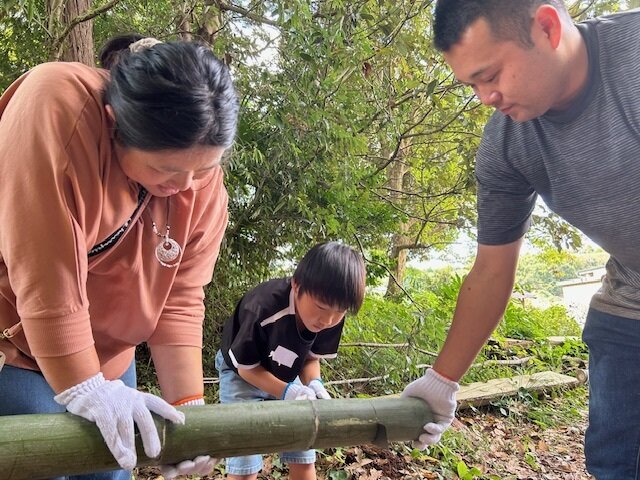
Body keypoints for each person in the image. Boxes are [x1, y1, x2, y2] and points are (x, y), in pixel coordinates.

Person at [400, 2, 640, 479]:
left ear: (548, 27)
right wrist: (441, 380)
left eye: (490, 75)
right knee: (615, 463)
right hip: (630, 298)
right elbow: (491, 269)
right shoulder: (508, 145)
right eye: (471, 85)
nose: (485, 97)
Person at [0, 33, 239, 480]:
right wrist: (86, 388)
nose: (186, 186)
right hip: (16, 346)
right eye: (166, 169)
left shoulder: (200, 184)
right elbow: (45, 273)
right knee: (39, 464)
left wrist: (189, 414)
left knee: (113, 471)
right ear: (114, 123)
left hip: (110, 357)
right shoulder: (56, 104)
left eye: (203, 169)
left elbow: (179, 298)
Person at [216, 241, 366, 480]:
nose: (327, 320)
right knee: (245, 466)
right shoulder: (262, 307)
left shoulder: (331, 317)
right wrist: (288, 392)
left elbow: (309, 359)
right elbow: (246, 369)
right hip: (242, 373)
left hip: (288, 374)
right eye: (321, 307)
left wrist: (314, 384)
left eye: (340, 312)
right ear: (297, 285)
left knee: (303, 457)